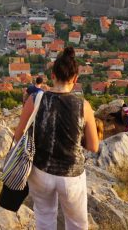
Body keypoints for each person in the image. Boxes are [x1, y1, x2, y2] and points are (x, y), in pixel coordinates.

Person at [12, 47, 99, 230]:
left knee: (44, 218)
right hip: (71, 174)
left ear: (52, 75)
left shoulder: (34, 100)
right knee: (76, 223)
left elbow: (18, 135)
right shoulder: (84, 106)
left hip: (40, 171)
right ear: (75, 79)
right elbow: (93, 146)